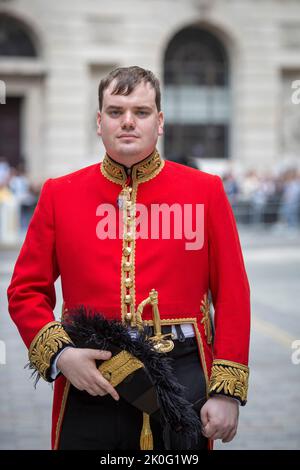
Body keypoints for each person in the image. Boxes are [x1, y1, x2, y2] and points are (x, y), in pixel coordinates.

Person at [7, 66, 251, 450]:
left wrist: (226, 391)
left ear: (160, 122)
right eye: (116, 111)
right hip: (89, 374)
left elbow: (233, 292)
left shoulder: (205, 191)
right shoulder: (59, 194)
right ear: (99, 121)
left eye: (141, 112)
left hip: (182, 372)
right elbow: (25, 291)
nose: (128, 122)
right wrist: (61, 355)